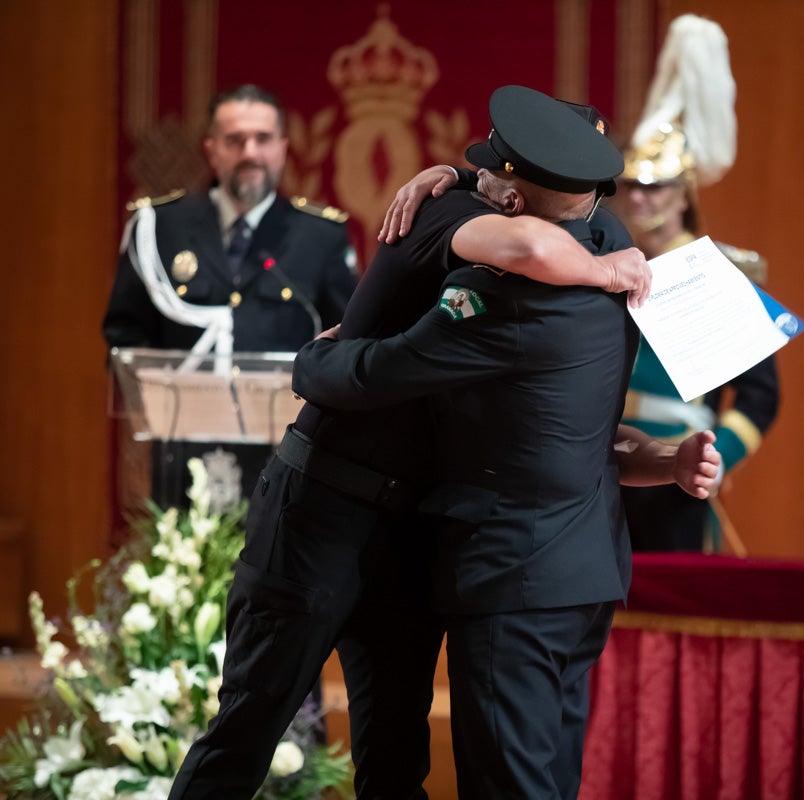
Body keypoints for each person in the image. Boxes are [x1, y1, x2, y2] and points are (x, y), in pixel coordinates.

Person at [169, 85, 717, 800]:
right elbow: (525, 237)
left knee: (396, 754)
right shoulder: (450, 211)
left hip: (413, 527)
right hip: (322, 509)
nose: (477, 171)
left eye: (492, 166)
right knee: (253, 721)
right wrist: (312, 361)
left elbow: (563, 236)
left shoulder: (578, 244)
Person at [290, 84, 669, 799]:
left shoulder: (508, 299)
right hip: (586, 571)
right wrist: (460, 176)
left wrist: (311, 359)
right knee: (550, 781)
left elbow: (378, 371)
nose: (483, 184)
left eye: (497, 175)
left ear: (516, 200)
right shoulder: (612, 248)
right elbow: (546, 211)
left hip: (512, 580)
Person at [102, 84, 359, 509]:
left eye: (262, 139)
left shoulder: (319, 236)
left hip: (287, 460)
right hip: (184, 459)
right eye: (235, 140)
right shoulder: (161, 227)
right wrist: (155, 397)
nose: (250, 153)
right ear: (212, 149)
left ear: (282, 148)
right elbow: (124, 332)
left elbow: (349, 339)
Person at [609, 14, 780, 552]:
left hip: (679, 476)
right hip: (603, 465)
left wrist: (716, 455)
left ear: (684, 194)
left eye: (656, 187)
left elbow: (759, 397)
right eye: (632, 187)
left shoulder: (720, 276)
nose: (640, 199)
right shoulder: (607, 263)